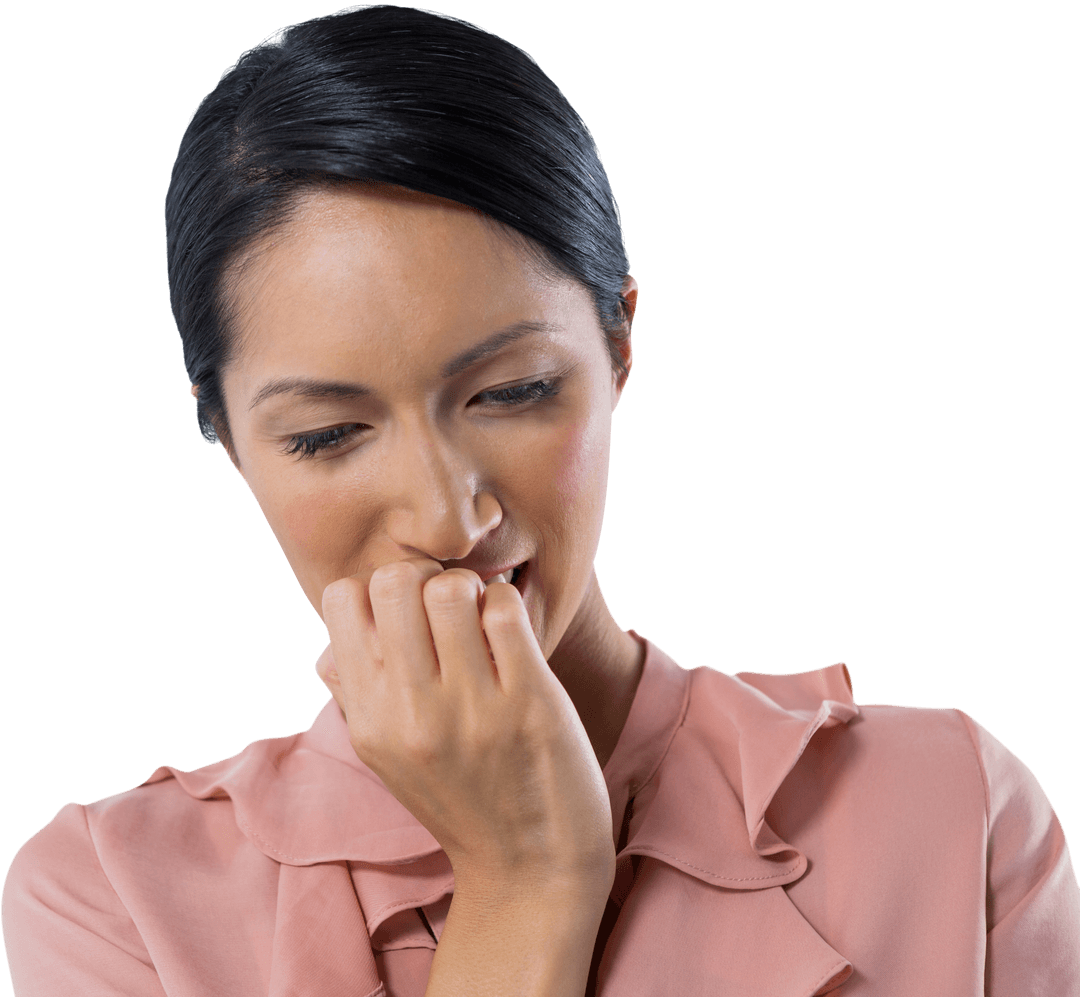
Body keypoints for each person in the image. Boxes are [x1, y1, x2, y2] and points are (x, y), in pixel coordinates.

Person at [3, 5, 1078, 995]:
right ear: (230, 441)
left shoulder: (953, 809)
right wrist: (528, 879)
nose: (447, 519)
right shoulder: (112, 900)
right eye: (327, 434)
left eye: (511, 391)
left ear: (617, 345)